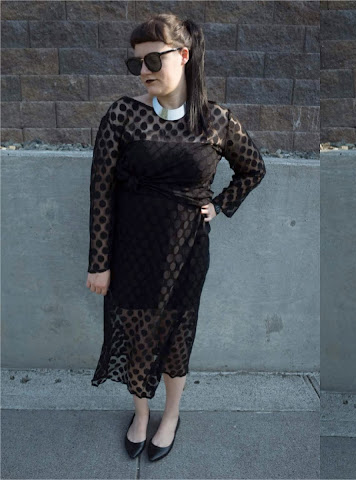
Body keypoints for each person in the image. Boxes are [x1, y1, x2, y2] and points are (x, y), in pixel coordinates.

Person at [85, 13, 266, 462]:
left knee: (176, 336)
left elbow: (253, 168)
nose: (144, 71)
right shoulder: (123, 116)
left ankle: (170, 415)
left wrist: (219, 204)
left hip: (186, 253)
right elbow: (101, 192)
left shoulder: (216, 120)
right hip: (130, 252)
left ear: (183, 55)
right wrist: (99, 263)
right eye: (136, 64)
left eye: (153, 60)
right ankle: (140, 414)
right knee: (135, 333)